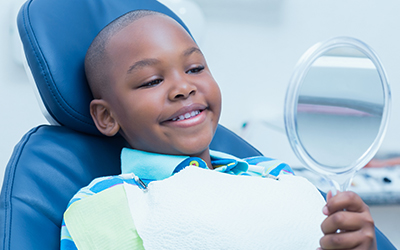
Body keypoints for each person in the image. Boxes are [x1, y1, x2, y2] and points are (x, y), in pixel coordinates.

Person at [60, 9, 377, 250]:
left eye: (195, 68)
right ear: (106, 116)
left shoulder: (275, 175)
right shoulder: (103, 204)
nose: (183, 87)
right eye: (152, 81)